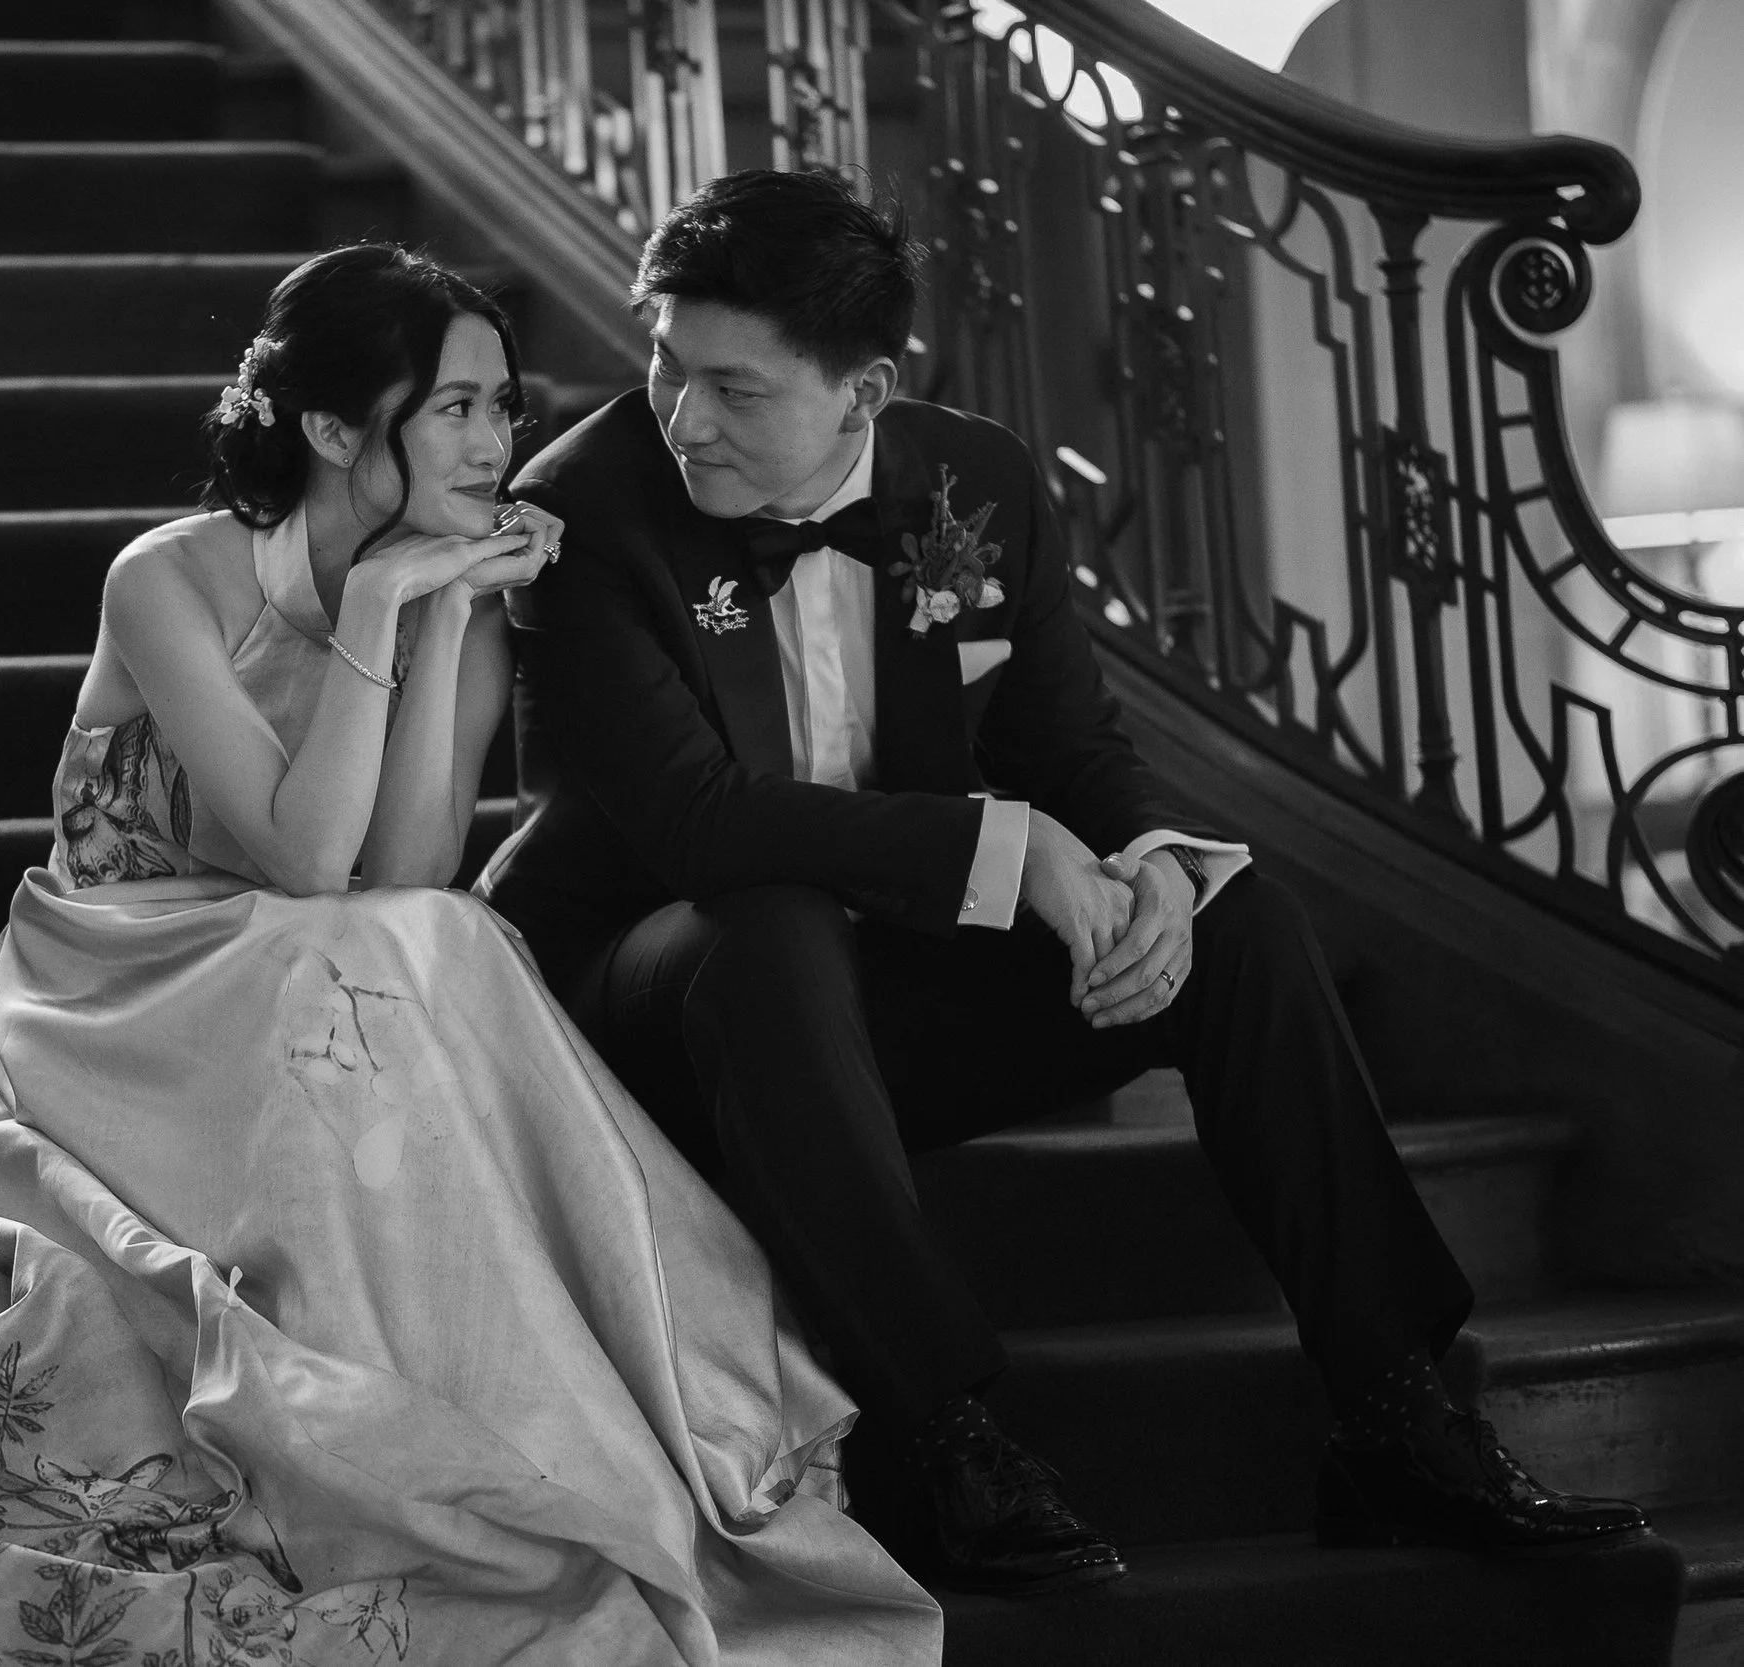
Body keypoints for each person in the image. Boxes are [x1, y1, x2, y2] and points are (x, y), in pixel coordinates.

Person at [0, 244, 941, 1667]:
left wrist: (443, 612)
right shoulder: (171, 576)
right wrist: (388, 606)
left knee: (435, 938)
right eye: (451, 408)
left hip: (301, 965)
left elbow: (400, 870)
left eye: (502, 407)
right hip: (118, 977)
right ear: (335, 430)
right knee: (370, 956)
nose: (495, 441)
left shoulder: (457, 587)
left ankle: (492, 1430)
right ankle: (351, 1437)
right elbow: (297, 853)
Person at [476, 169, 1650, 1598]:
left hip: (868, 1008)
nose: (682, 414)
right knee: (769, 927)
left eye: (735, 386)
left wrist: (1151, 867)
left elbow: (1071, 744)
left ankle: (1398, 1412)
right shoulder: (585, 510)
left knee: (1241, 919)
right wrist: (1006, 850)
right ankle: (935, 1429)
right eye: (665, 361)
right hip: (649, 1002)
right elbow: (702, 825)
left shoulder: (973, 479)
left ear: (867, 389)